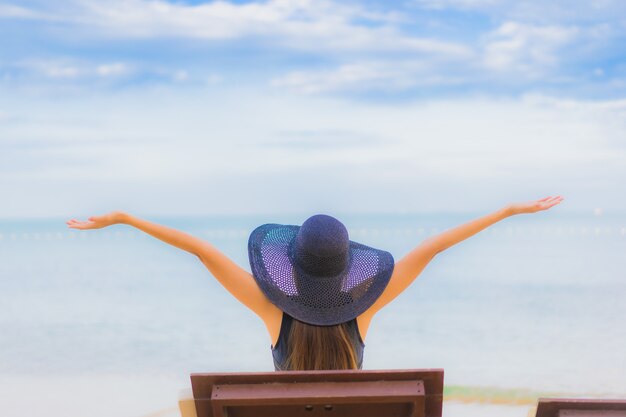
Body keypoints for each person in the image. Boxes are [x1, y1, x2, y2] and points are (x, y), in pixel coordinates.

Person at [66, 195, 564, 371]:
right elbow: (434, 247)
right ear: (346, 269)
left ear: (290, 265)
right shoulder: (364, 311)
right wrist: (507, 210)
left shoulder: (269, 309)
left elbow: (201, 250)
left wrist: (128, 219)